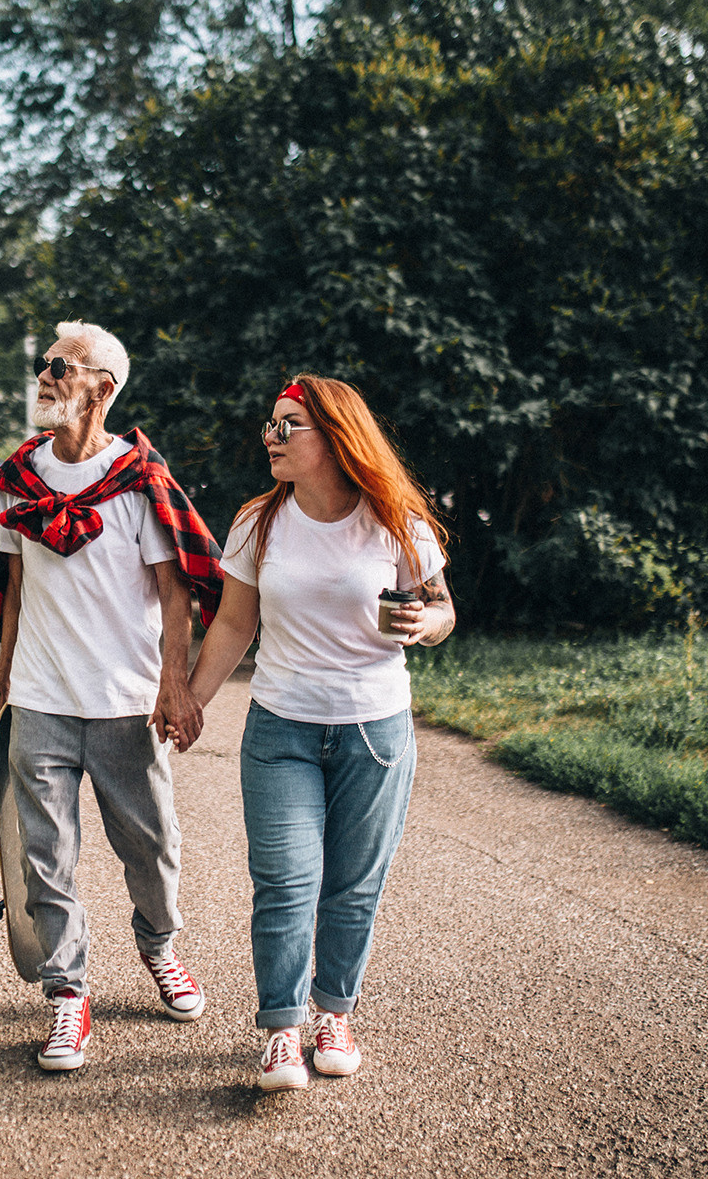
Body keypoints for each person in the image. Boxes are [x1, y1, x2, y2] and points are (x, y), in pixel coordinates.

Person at [179, 375, 454, 1092]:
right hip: (282, 728)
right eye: (269, 423)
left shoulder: (394, 520)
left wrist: (428, 624)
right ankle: (280, 1030)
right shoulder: (258, 521)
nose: (270, 436)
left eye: (287, 425)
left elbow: (442, 607)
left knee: (354, 885)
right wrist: (190, 702)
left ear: (335, 436)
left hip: (375, 730)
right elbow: (235, 623)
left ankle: (333, 1012)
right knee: (285, 881)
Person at [0, 321, 225, 1072]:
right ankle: (68, 995)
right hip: (43, 699)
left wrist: (173, 681)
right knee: (45, 856)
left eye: (60, 367)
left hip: (124, 701)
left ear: (103, 387)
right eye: (44, 366)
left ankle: (160, 943)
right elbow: (14, 591)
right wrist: (3, 686)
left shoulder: (138, 480)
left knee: (151, 847)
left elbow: (174, 588)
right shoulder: (21, 478)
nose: (44, 376)